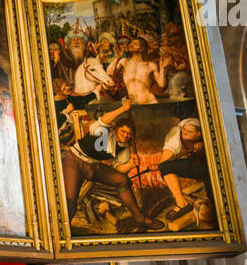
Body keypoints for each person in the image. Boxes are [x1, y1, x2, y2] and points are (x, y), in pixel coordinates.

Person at [59, 99, 161, 232]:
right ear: (116, 129)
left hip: (94, 166)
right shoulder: (104, 131)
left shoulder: (124, 147)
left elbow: (118, 168)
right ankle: (63, 231)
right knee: (71, 200)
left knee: (122, 180)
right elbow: (104, 120)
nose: (125, 135)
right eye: (123, 132)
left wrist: (130, 164)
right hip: (75, 161)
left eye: (129, 134)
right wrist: (122, 109)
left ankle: (139, 218)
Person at [157, 117, 209, 218]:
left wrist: (203, 149)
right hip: (194, 166)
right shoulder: (178, 135)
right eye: (184, 129)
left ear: (197, 134)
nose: (184, 132)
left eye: (188, 131)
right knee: (165, 166)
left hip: (208, 168)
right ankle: (182, 203)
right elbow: (169, 153)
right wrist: (159, 164)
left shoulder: (206, 137)